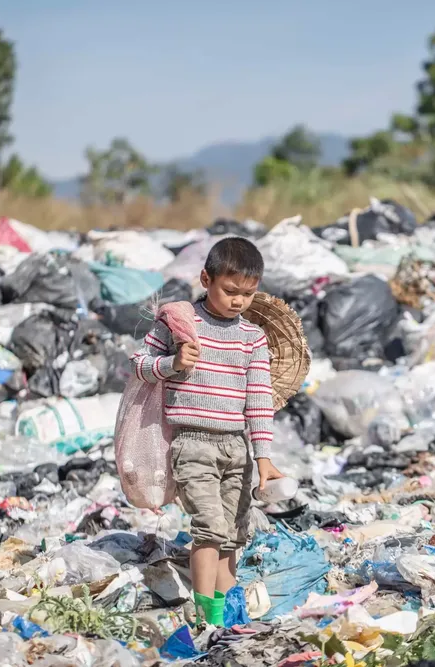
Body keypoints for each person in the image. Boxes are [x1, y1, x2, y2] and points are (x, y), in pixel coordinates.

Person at [129, 237, 285, 628]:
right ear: (205, 279)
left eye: (248, 294)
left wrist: (263, 458)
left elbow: (259, 399)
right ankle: (205, 619)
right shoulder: (180, 323)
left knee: (233, 534)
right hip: (192, 441)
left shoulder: (253, 337)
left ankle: (227, 612)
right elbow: (138, 364)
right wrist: (172, 362)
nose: (238, 301)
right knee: (210, 529)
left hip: (236, 447)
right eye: (230, 291)